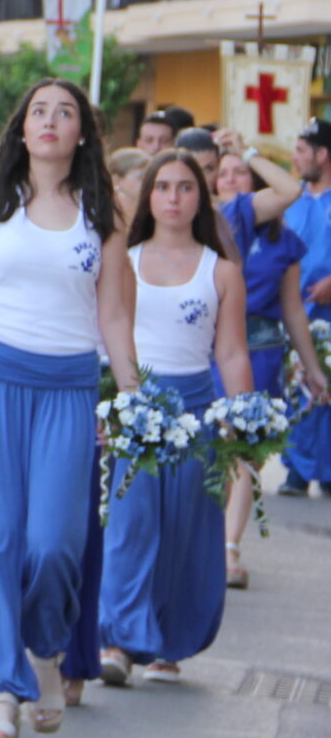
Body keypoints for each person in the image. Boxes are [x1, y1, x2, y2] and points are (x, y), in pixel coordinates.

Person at [0, 78, 137, 738]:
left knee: (51, 543)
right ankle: (4, 692)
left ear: (82, 134)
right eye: (39, 110)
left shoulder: (104, 210)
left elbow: (114, 316)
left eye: (64, 112)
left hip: (67, 389)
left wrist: (131, 397)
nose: (49, 120)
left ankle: (45, 646)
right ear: (22, 130)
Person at [99, 152, 245, 686]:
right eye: (163, 187)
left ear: (200, 200)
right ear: (149, 197)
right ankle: (116, 639)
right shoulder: (125, 259)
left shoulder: (222, 270)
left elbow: (231, 354)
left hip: (197, 410)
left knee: (184, 529)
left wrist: (242, 421)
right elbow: (105, 334)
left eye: (186, 188)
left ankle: (166, 643)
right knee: (131, 521)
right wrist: (112, 402)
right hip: (136, 403)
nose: (174, 198)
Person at [211, 146, 328, 585]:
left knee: (244, 456)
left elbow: (294, 310)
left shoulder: (282, 242)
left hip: (260, 352)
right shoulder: (208, 226)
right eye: (223, 174)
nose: (232, 180)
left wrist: (313, 369)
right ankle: (211, 540)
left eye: (241, 173)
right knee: (213, 454)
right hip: (207, 351)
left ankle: (229, 548)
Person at [283, 116, 331, 495]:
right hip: (295, 313)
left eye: (301, 151)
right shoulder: (290, 198)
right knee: (298, 385)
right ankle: (296, 470)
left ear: (322, 154)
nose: (295, 159)